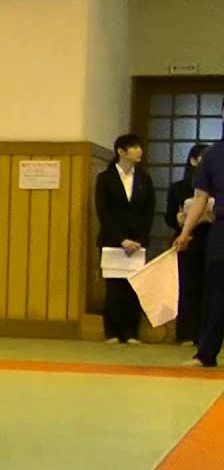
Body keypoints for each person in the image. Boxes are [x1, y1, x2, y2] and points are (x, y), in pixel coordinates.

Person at [94, 134, 155, 345]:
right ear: (121, 151)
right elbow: (103, 212)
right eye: (134, 147)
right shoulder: (105, 178)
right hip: (113, 240)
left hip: (137, 241)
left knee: (134, 287)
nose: (139, 151)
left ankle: (131, 332)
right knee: (114, 287)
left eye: (139, 146)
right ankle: (112, 331)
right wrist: (122, 239)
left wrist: (138, 239)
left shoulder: (144, 179)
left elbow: (149, 212)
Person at [174, 139, 224, 368]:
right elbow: (200, 198)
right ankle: (206, 353)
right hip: (221, 229)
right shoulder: (213, 154)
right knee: (216, 295)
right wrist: (185, 232)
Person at [165, 144, 211, 346]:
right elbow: (168, 217)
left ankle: (207, 335)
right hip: (188, 240)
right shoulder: (179, 187)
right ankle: (186, 333)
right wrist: (179, 220)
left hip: (212, 237)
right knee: (188, 287)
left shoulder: (215, 184)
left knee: (210, 287)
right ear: (193, 160)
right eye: (203, 157)